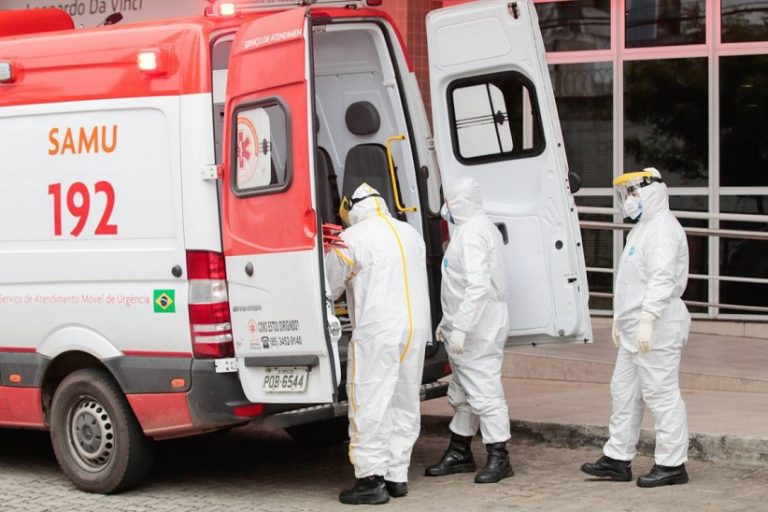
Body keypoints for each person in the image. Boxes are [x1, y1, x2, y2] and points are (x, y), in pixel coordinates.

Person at [581, 167, 691, 488]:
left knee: (661, 393)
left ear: (652, 191)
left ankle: (672, 464)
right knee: (624, 391)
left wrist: (647, 319)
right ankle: (617, 458)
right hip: (635, 327)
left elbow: (661, 279)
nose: (629, 199)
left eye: (633, 192)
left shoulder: (663, 230)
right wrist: (621, 319)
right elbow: (631, 281)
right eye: (626, 193)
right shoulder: (642, 229)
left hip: (657, 325)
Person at [326, 183, 430, 505]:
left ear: (352, 209)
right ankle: (397, 476)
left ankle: (370, 479)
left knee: (370, 400)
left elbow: (329, 286)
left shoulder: (352, 238)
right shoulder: (410, 233)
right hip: (415, 329)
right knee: (403, 401)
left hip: (378, 330)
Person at [425, 176, 513, 484]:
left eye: (448, 202)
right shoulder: (472, 228)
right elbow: (459, 285)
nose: (445, 208)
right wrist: (448, 324)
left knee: (484, 390)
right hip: (471, 324)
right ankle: (459, 451)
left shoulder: (473, 233)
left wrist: (461, 327)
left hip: (478, 327)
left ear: (458, 202)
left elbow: (477, 287)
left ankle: (499, 456)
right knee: (463, 390)